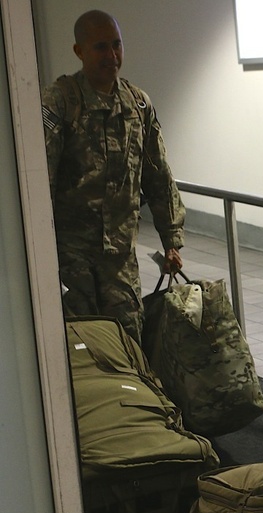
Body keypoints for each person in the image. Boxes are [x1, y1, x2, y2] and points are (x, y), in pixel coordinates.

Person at [42, 9, 185, 343]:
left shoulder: (137, 106)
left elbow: (158, 176)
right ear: (79, 51)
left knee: (129, 339)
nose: (112, 55)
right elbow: (40, 181)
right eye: (101, 47)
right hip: (70, 258)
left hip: (120, 258)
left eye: (117, 45)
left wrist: (171, 240)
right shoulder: (60, 103)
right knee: (82, 343)